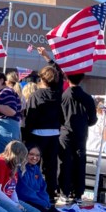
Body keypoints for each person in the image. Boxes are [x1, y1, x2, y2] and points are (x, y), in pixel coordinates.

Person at [23, 51, 65, 200]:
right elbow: (59, 71)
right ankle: (51, 193)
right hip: (54, 134)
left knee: (34, 165)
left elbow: (30, 117)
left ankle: (35, 191)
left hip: (38, 134)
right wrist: (48, 58)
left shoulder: (36, 95)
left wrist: (26, 136)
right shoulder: (58, 93)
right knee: (51, 166)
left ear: (41, 79)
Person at [58, 73, 97, 204]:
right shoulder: (88, 98)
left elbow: (59, 116)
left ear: (67, 79)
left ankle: (64, 192)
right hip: (81, 133)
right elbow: (93, 120)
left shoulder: (63, 96)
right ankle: (78, 194)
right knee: (80, 162)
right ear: (81, 79)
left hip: (65, 133)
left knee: (65, 162)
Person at [16, 143, 65, 212]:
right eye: (31, 154)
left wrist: (46, 202)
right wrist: (42, 203)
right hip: (25, 201)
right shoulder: (20, 169)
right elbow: (24, 192)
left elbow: (42, 188)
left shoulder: (36, 169)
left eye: (37, 155)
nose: (35, 157)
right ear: (25, 154)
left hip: (38, 201)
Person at [0, 70, 23, 163]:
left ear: (2, 80)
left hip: (5, 130)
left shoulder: (6, 92)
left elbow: (11, 111)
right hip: (3, 129)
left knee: (0, 160)